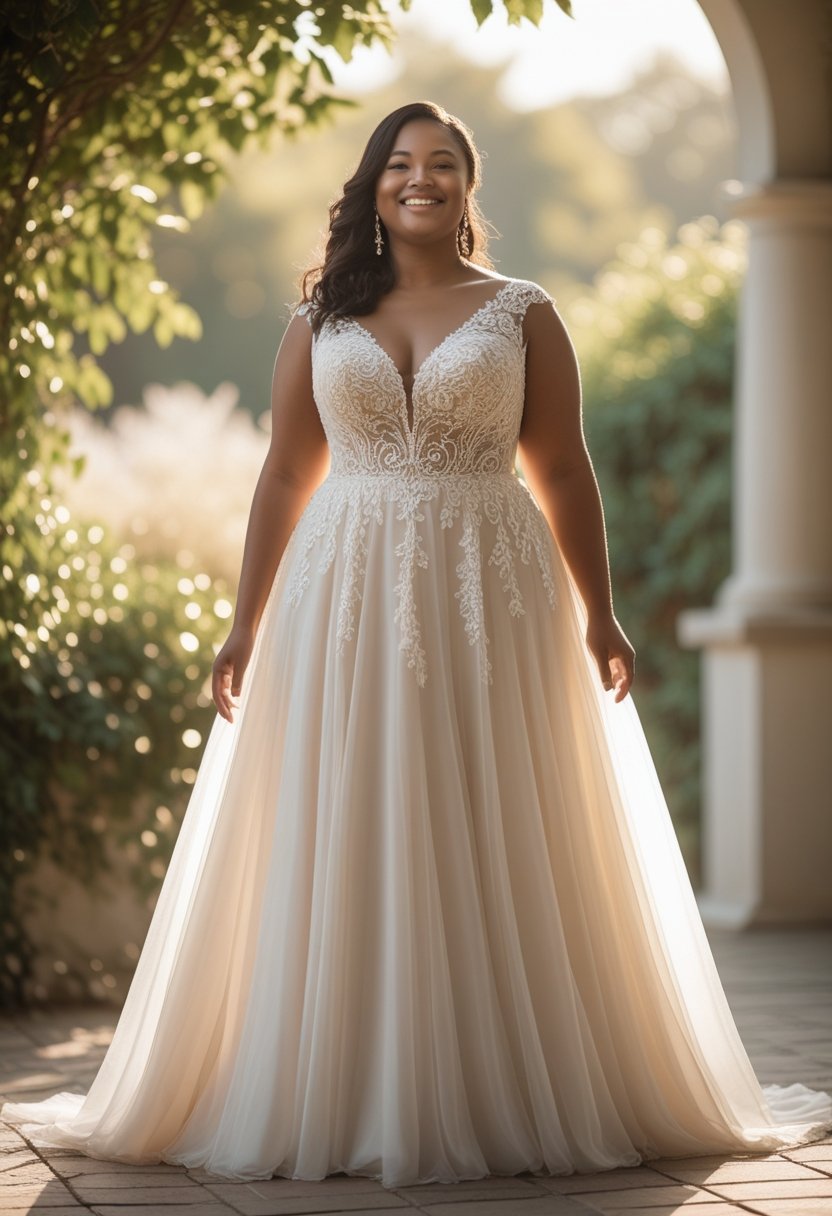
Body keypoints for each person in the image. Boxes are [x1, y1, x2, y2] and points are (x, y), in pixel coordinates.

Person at [3, 99, 831, 1189]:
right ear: (373, 183)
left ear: (467, 186)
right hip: (340, 592)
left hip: (493, 589)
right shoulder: (318, 323)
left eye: (442, 163)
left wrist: (600, 607)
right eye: (401, 163)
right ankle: (342, 1079)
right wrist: (245, 619)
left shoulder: (522, 311)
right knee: (346, 806)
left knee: (493, 806)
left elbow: (566, 470)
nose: (421, 179)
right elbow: (285, 476)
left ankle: (501, 1076)